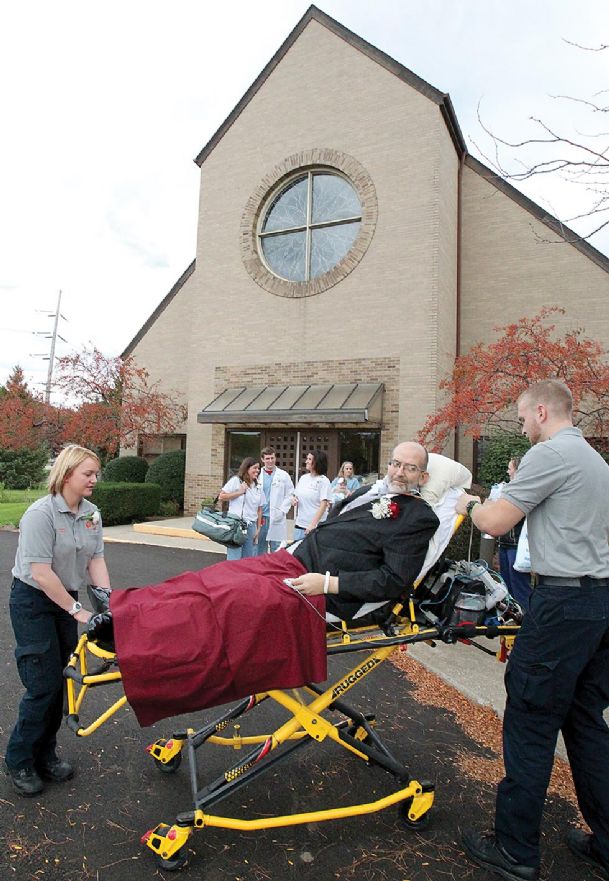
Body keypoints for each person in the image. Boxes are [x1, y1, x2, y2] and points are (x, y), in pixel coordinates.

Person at [88, 442, 440, 720]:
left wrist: (328, 584)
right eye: (396, 463)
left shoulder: (417, 517)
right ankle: (126, 610)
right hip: (291, 560)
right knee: (214, 577)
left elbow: (393, 579)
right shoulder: (374, 494)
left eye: (410, 467)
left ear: (422, 477)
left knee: (230, 599)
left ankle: (137, 639)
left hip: (319, 590)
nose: (399, 471)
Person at [456, 379, 609, 881]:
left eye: (523, 417)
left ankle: (515, 849)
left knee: (531, 714)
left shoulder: (551, 453)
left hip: (563, 603)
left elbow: (496, 521)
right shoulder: (593, 460)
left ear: (541, 410)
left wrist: (467, 506)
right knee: (585, 720)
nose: (521, 426)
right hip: (598, 602)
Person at [5, 444, 110, 797]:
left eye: (96, 473)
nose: (95, 479)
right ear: (67, 475)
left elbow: (95, 559)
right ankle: (19, 760)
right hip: (34, 601)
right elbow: (41, 573)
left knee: (62, 682)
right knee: (42, 684)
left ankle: (46, 756)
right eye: (88, 474)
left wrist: (108, 601)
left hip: (66, 599)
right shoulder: (41, 514)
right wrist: (77, 611)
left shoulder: (92, 513)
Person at [496, 457, 532, 610]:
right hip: (504, 542)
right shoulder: (507, 488)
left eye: (510, 468)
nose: (508, 471)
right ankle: (512, 616)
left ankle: (526, 619)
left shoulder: (525, 490)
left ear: (518, 470)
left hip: (516, 545)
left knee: (519, 585)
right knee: (506, 585)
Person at [219, 457, 265, 561]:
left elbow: (259, 509)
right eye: (255, 468)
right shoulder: (236, 481)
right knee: (234, 557)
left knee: (248, 558)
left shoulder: (258, 486)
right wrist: (239, 492)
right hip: (237, 525)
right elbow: (221, 496)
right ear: (247, 468)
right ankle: (232, 577)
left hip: (251, 526)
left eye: (258, 468)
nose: (257, 471)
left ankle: (244, 577)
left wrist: (258, 529)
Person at [256, 446, 294, 554]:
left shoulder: (283, 475)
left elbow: (290, 494)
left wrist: (282, 510)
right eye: (267, 458)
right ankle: (261, 570)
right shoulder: (257, 475)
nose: (270, 461)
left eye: (272, 458)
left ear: (275, 458)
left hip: (277, 517)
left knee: (277, 549)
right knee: (259, 547)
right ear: (262, 459)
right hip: (260, 517)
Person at [292, 450, 332, 540]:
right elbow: (296, 495)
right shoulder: (303, 478)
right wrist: (294, 499)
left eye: (309, 459)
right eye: (307, 459)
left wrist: (313, 524)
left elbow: (323, 504)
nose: (306, 461)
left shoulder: (323, 481)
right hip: (300, 524)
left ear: (317, 462)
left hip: (315, 527)